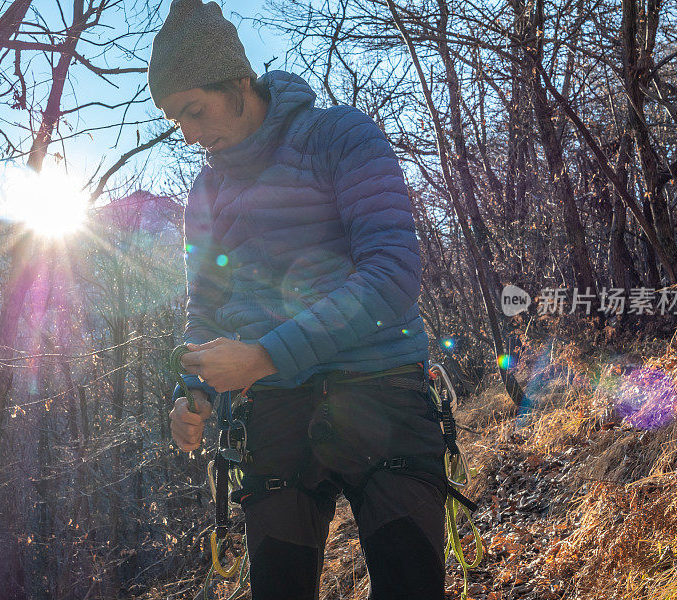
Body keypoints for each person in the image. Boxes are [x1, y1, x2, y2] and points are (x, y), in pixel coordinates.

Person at [148, 1, 447, 598]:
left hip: (382, 388)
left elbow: (391, 275)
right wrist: (194, 389)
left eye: (194, 110)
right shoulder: (206, 191)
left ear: (237, 83)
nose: (190, 133)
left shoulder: (340, 135)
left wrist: (262, 356)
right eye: (176, 119)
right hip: (278, 413)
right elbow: (203, 306)